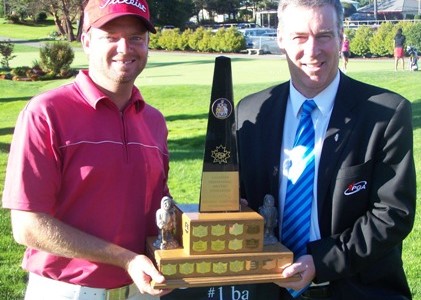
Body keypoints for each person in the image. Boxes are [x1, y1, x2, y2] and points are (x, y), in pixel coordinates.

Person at [236, 0, 416, 299]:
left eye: (323, 35)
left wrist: (321, 262)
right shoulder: (250, 112)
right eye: (300, 37)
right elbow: (235, 199)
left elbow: (393, 213)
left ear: (340, 35)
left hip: (355, 288)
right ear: (281, 39)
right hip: (266, 288)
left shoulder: (386, 114)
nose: (312, 50)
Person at [2, 0, 172, 299]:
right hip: (68, 290)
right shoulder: (47, 112)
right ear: (86, 41)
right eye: (111, 36)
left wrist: (220, 222)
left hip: (142, 288)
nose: (125, 48)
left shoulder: (154, 120)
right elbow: (27, 226)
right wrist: (124, 258)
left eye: (136, 38)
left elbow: (157, 209)